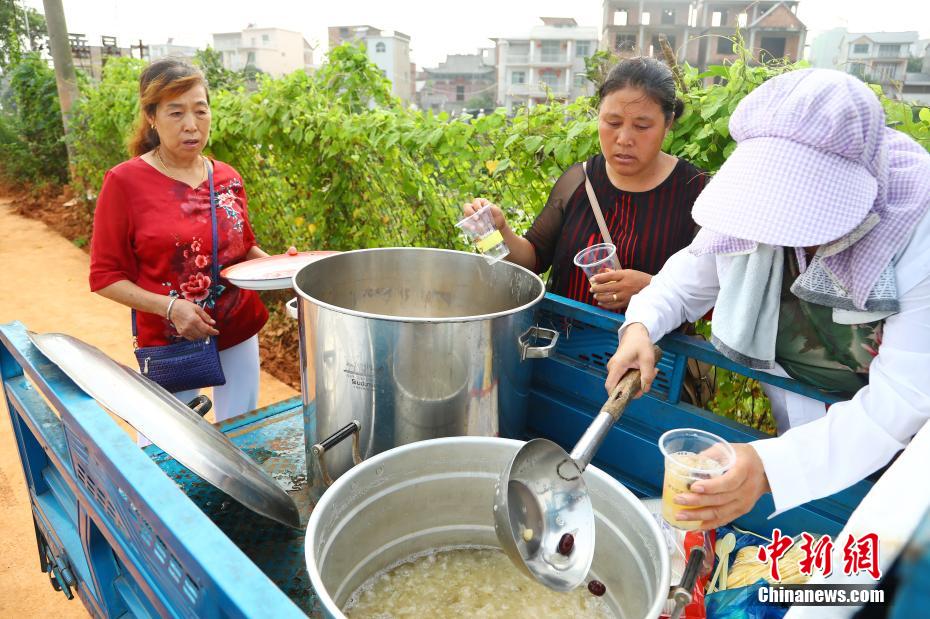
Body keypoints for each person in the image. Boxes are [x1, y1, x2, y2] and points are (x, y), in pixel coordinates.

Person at [607, 68, 930, 530]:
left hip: (905, 447)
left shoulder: (917, 231)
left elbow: (902, 399)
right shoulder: (757, 199)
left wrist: (768, 467)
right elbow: (684, 280)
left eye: (805, 207)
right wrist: (639, 328)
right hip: (806, 419)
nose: (779, 230)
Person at [89, 58, 270, 432]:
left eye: (200, 111)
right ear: (151, 116)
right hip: (172, 341)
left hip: (237, 328)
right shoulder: (125, 183)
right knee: (169, 445)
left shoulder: (227, 178)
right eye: (176, 112)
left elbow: (244, 249)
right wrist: (172, 308)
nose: (192, 124)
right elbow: (105, 277)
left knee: (242, 437)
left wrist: (277, 268)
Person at [463, 57, 708, 312]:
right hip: (566, 345)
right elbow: (532, 261)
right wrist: (496, 232)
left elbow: (717, 291)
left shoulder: (696, 191)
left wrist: (653, 287)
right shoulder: (579, 181)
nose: (624, 139)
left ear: (667, 123)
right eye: (612, 123)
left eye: (642, 126)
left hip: (649, 350)